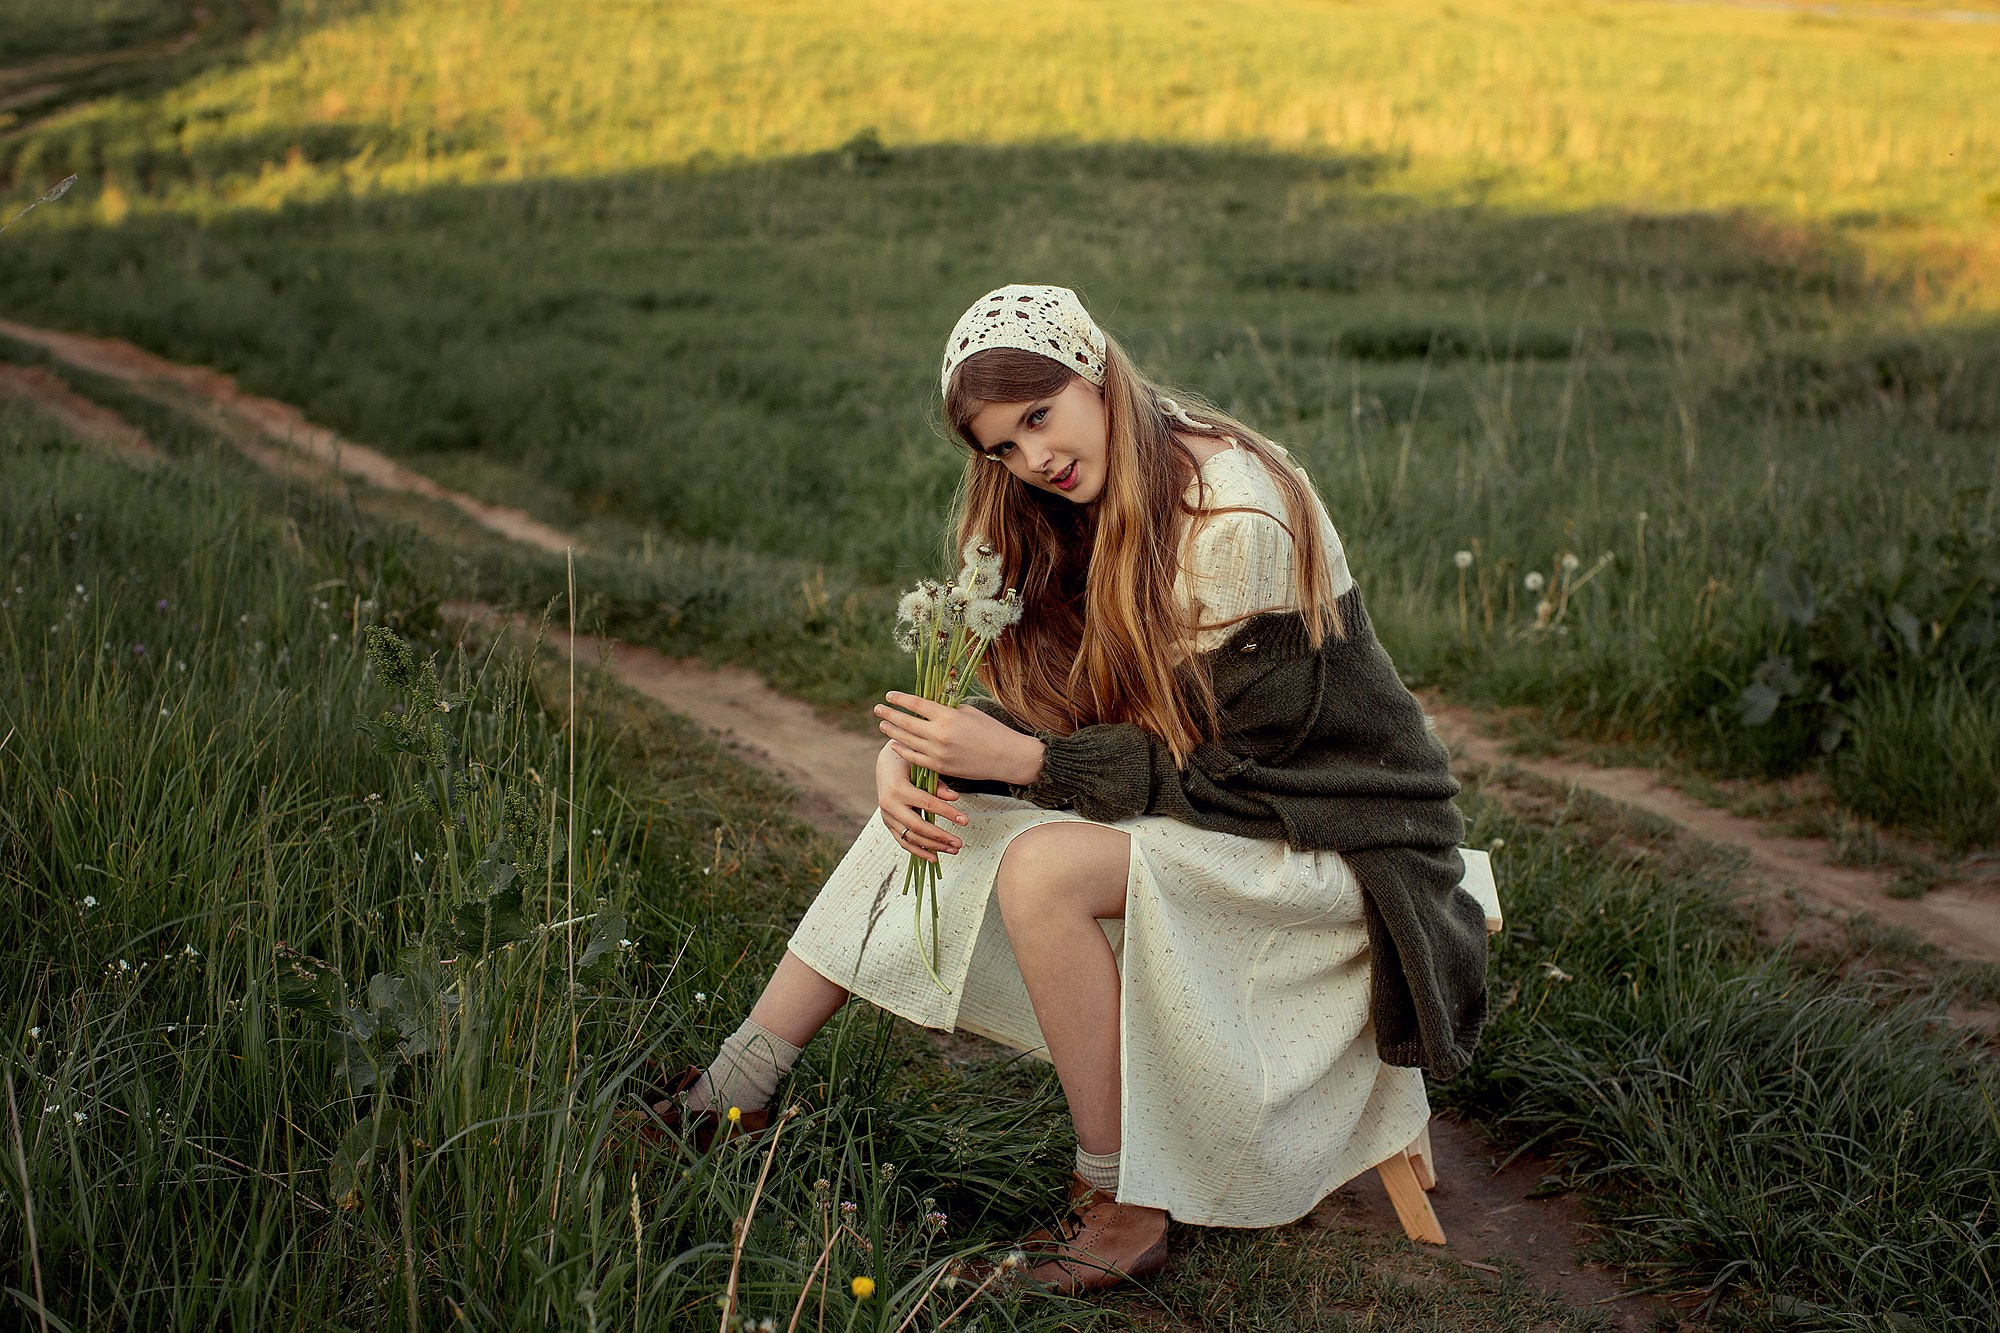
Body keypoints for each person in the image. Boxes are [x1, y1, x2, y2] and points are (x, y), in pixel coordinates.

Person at [644, 284, 1490, 1294]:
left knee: (1041, 869)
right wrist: (917, 764)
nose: (1031, 459)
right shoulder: (1068, 508)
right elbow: (1069, 717)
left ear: (1092, 369)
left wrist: (1033, 768)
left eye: (1038, 418)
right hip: (1214, 807)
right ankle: (734, 1091)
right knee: (937, 820)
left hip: (1329, 834)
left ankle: (1123, 1200)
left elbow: (1228, 771)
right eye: (1002, 446)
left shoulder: (1231, 514)